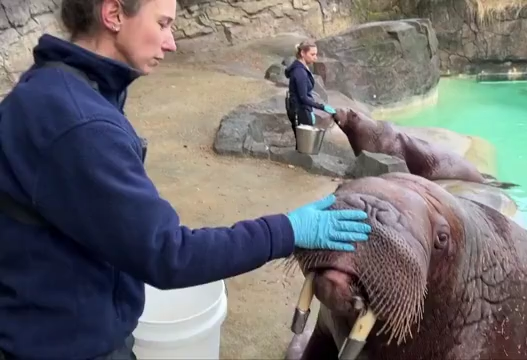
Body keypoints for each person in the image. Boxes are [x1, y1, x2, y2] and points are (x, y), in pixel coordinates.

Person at [0, 0, 372, 359]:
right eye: (162, 23)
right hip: (63, 344)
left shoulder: (54, 85)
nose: (172, 41)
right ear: (114, 13)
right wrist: (287, 230)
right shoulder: (81, 123)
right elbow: (169, 254)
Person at [284, 40, 336, 141]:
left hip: (303, 109)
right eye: (312, 54)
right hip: (299, 111)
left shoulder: (303, 68)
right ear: (303, 53)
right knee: (304, 143)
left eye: (316, 54)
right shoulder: (300, 72)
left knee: (304, 142)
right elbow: (303, 97)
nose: (315, 58)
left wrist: (310, 109)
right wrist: (322, 107)